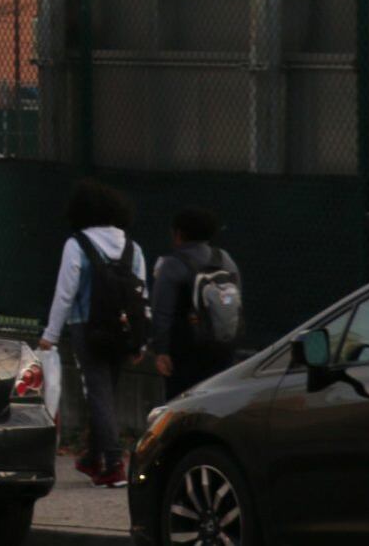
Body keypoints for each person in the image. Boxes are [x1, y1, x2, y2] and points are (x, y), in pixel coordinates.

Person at [38, 179, 144, 488]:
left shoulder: (77, 244)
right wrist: (141, 340)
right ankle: (91, 458)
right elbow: (141, 294)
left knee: (99, 394)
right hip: (123, 330)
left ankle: (112, 463)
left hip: (87, 327)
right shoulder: (132, 247)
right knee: (107, 392)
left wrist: (50, 335)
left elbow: (65, 292)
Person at [149, 208, 243, 400]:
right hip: (223, 346)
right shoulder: (225, 259)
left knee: (181, 404)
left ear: (178, 234)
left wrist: (161, 351)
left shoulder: (173, 264)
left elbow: (161, 311)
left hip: (185, 350)